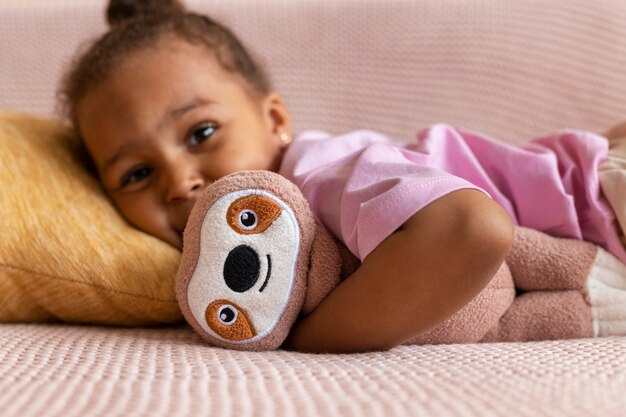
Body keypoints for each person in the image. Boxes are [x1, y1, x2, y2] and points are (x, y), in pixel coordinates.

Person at [59, 0, 626, 353]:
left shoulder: (323, 174)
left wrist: (312, 337)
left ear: (275, 119)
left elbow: (471, 229)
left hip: (601, 201)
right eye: (135, 173)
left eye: (201, 134)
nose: (179, 181)